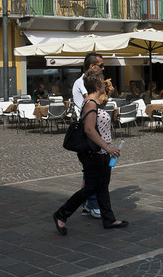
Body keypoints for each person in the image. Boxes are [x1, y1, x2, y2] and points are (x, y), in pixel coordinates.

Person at [53, 69, 127, 235]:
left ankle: (109, 219)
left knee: (102, 186)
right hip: (94, 152)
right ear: (97, 86)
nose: (105, 84)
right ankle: (61, 214)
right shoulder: (91, 104)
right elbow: (89, 129)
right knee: (90, 188)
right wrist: (107, 147)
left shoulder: (93, 101)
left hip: (100, 152)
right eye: (102, 82)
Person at [73, 53, 105, 218]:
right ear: (92, 66)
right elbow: (93, 101)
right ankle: (92, 204)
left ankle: (87, 204)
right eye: (101, 65)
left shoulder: (84, 82)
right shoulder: (83, 83)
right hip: (88, 128)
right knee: (93, 169)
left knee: (89, 169)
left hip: (90, 126)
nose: (103, 68)